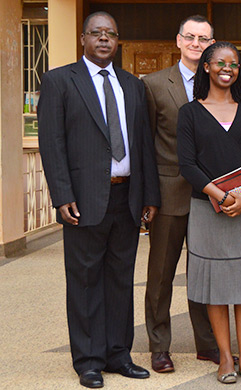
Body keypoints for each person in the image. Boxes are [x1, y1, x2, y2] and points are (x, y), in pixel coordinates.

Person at [38, 11, 160, 388]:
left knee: (121, 279)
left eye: (111, 34)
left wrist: (148, 195)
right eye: (97, 33)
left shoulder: (132, 85)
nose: (104, 39)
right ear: (83, 39)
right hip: (83, 199)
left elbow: (143, 143)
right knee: (85, 280)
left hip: (126, 196)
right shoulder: (60, 81)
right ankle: (88, 360)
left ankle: (119, 354)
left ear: (118, 41)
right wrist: (62, 196)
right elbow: (52, 143)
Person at [177, 41, 241, 384]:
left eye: (233, 63)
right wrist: (221, 196)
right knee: (217, 289)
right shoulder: (189, 112)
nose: (226, 68)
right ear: (206, 66)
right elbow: (187, 164)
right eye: (220, 62)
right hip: (207, 210)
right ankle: (224, 359)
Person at [141, 15, 219, 374]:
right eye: (190, 37)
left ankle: (207, 344)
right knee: (161, 275)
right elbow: (144, 144)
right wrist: (147, 197)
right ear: (178, 41)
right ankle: (159, 346)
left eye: (204, 38)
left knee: (204, 273)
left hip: (210, 196)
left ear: (212, 44)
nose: (196, 43)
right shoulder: (155, 84)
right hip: (169, 192)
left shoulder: (221, 82)